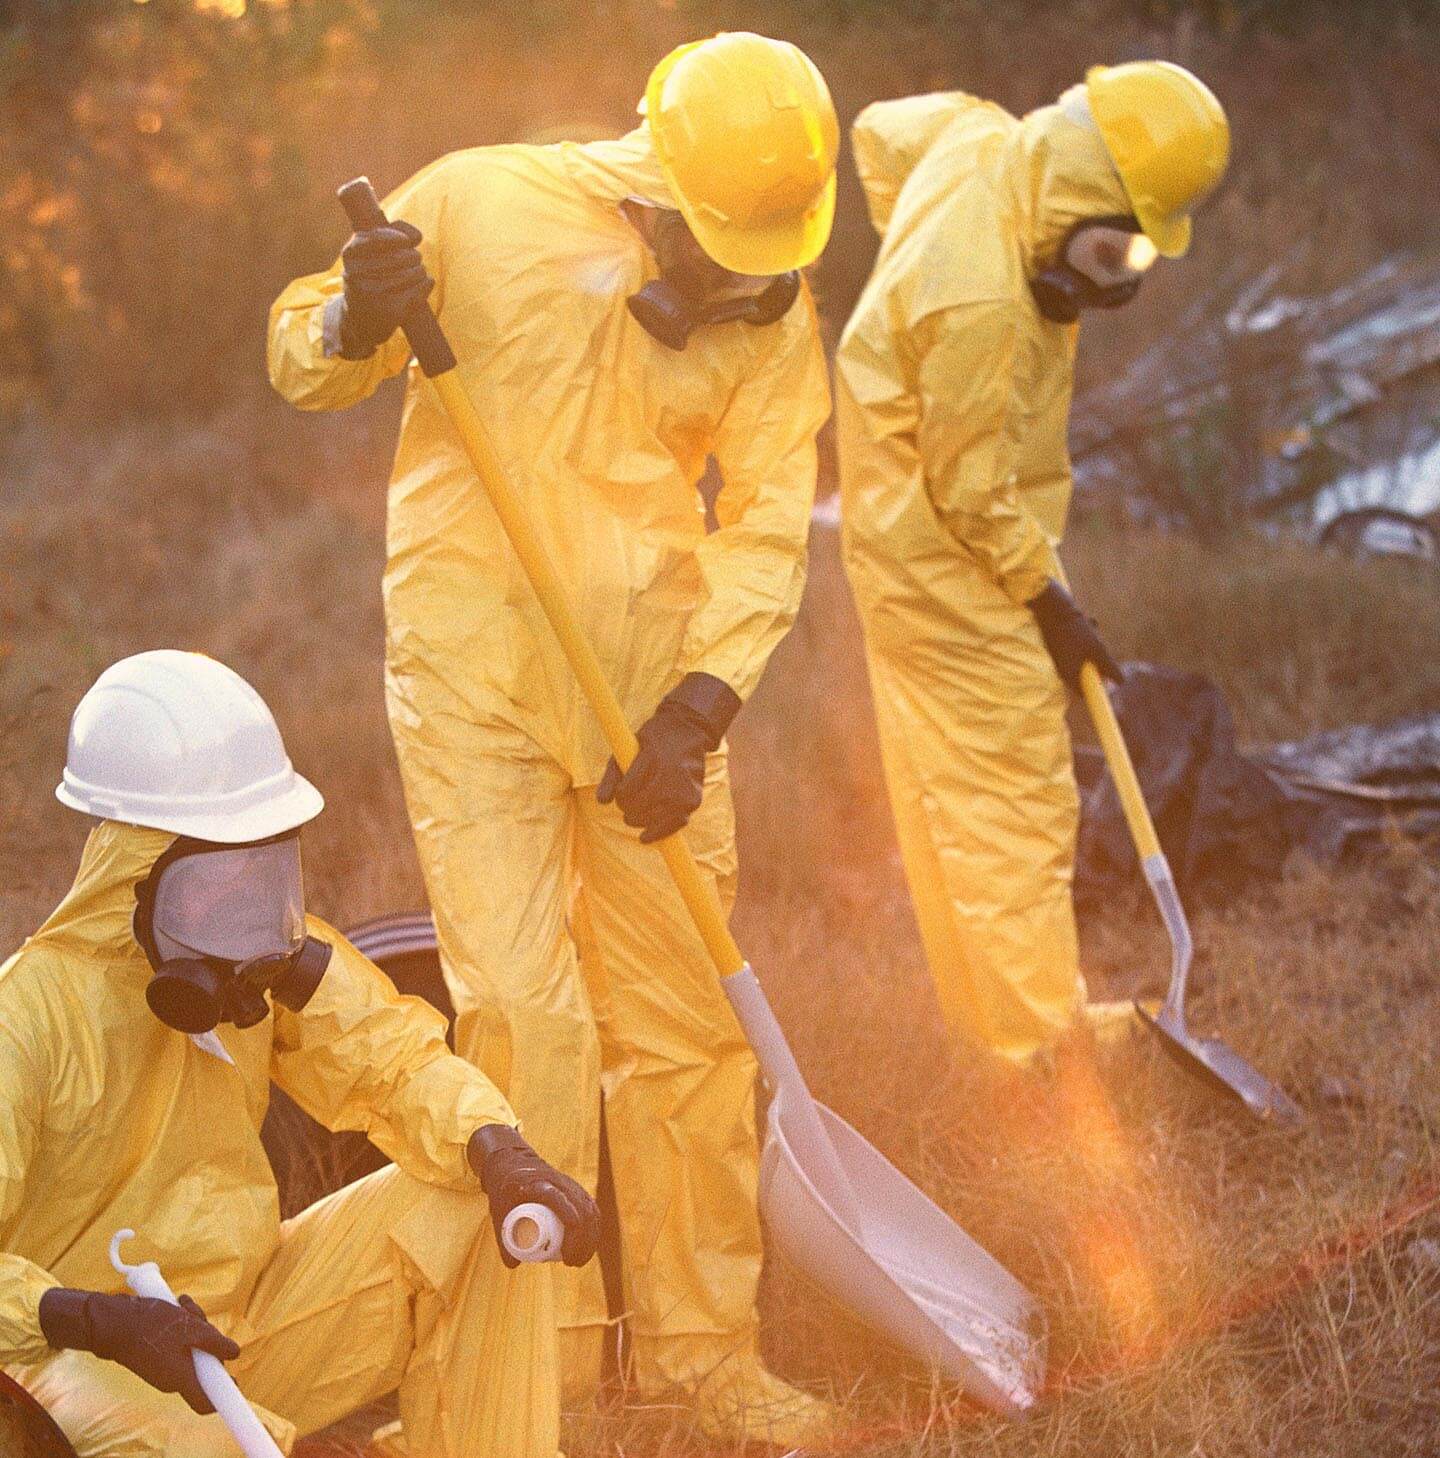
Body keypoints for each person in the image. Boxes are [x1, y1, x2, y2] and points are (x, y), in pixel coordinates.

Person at [267, 31, 838, 1447]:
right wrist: (355, 314)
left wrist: (700, 709)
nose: (741, 279)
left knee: (689, 1036)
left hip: (649, 709)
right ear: (654, 185)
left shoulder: (778, 307)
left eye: (764, 254)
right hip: (474, 681)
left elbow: (767, 525)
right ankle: (554, 1364)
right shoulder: (476, 204)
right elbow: (306, 364)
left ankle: (708, 1358)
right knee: (525, 1022)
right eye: (720, 247)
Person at [0, 651, 600, 1458]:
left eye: (265, 865)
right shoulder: (24, 1018)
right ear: (136, 875)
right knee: (199, 1444)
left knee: (470, 1199)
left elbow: (392, 1058)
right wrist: (91, 1318)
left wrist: (494, 1147)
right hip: (59, 1381)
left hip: (228, 1343)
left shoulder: (261, 960)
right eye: (218, 873)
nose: (252, 898)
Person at [835, 63, 1230, 1065]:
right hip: (945, 552)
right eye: (1114, 246)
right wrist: (1047, 600)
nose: (1119, 276)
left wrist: (904, 253)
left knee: (957, 797)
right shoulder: (981, 308)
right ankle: (1036, 1058)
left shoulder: (983, 141)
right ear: (1077, 188)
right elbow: (971, 491)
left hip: (919, 526)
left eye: (1141, 252)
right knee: (1014, 800)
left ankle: (998, 1030)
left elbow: (880, 127)